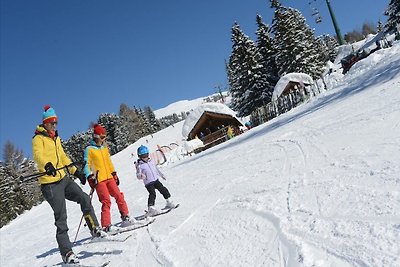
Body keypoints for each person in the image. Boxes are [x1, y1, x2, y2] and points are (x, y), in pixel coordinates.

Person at [32, 105, 106, 264]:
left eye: (56, 122)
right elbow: (38, 155)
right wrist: (47, 165)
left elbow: (64, 158)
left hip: (64, 179)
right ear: (45, 123)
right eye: (51, 123)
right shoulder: (38, 138)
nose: (54, 125)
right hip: (50, 184)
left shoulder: (56, 138)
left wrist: (76, 171)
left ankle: (95, 229)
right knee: (61, 217)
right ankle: (67, 254)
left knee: (84, 197)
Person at [83, 124, 134, 232]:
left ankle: (125, 216)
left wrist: (114, 173)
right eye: (102, 137)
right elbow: (86, 164)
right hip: (99, 179)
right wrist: (89, 176)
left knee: (119, 196)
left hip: (109, 177)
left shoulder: (104, 148)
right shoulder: (89, 149)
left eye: (104, 137)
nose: (103, 139)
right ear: (96, 136)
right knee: (106, 201)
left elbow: (109, 162)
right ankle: (106, 226)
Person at [135, 145, 176, 215]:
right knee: (152, 194)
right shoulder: (139, 165)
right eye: (143, 156)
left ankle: (168, 201)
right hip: (148, 183)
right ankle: (151, 207)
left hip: (156, 180)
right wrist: (141, 176)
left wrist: (162, 175)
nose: (145, 158)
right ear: (139, 156)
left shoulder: (151, 161)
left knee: (163, 189)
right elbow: (138, 175)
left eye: (146, 155)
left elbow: (156, 169)